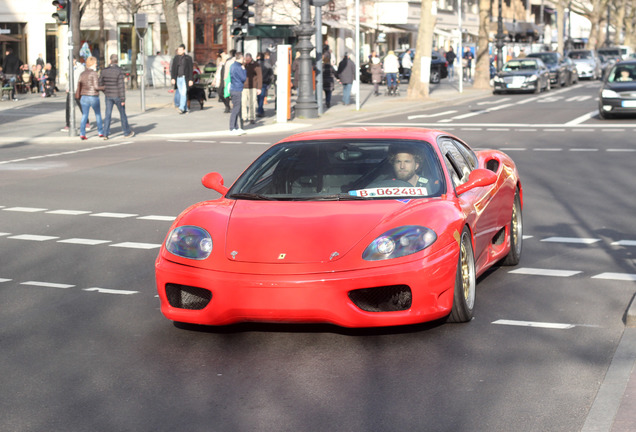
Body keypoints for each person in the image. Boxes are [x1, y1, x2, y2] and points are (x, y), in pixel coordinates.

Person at [99, 54, 134, 139]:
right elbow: (121, 86)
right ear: (117, 61)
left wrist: (105, 91)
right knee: (122, 114)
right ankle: (126, 132)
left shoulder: (104, 71)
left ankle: (105, 134)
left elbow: (100, 83)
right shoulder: (119, 71)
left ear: (110, 60)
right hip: (118, 96)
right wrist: (123, 99)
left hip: (108, 96)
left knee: (108, 115)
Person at [76, 56, 104, 140]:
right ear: (92, 64)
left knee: (84, 115)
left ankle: (82, 133)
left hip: (84, 97)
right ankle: (100, 132)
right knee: (98, 114)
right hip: (93, 96)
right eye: (95, 63)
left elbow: (79, 85)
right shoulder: (94, 73)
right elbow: (96, 87)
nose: (96, 64)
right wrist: (104, 87)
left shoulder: (82, 73)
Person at [62, 56, 90, 133]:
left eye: (72, 60)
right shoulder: (69, 68)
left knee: (81, 106)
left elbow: (82, 78)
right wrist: (67, 87)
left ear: (75, 59)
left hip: (78, 90)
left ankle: (87, 122)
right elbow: (68, 79)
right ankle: (68, 124)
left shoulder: (80, 67)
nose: (70, 62)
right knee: (68, 108)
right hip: (71, 90)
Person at [170, 43, 194, 114]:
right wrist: (173, 78)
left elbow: (190, 69)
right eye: (178, 50)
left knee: (183, 93)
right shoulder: (176, 58)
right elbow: (173, 69)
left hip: (184, 78)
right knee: (181, 93)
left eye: (181, 50)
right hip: (178, 78)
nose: (179, 51)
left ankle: (181, 108)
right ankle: (186, 109)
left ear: (184, 50)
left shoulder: (188, 58)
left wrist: (190, 79)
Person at [228, 53, 247, 135]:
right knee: (236, 109)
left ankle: (236, 127)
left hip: (233, 88)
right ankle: (232, 127)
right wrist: (244, 69)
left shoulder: (232, 66)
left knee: (236, 108)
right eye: (243, 58)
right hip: (237, 89)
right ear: (241, 58)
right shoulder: (239, 67)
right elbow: (243, 78)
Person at [242, 53, 262, 125]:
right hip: (244, 87)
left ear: (251, 59)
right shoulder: (243, 64)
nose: (247, 61)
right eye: (245, 60)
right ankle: (244, 117)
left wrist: (259, 88)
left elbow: (259, 76)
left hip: (253, 87)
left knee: (252, 103)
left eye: (248, 60)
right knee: (243, 102)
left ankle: (252, 118)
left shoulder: (256, 65)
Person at [257, 51, 273, 117]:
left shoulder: (255, 64)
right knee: (261, 97)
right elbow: (271, 75)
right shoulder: (267, 65)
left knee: (259, 97)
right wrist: (269, 82)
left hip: (257, 83)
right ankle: (260, 110)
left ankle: (260, 110)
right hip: (264, 82)